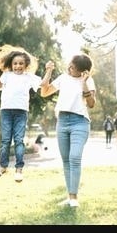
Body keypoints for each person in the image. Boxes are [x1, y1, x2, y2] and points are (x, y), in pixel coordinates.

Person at [39, 54, 97, 208]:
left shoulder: (88, 80)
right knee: (66, 160)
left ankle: (74, 198)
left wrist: (84, 83)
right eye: (70, 65)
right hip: (63, 122)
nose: (69, 68)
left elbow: (91, 104)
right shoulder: (63, 78)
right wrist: (49, 71)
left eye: (73, 68)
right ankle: (70, 197)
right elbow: (44, 93)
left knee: (75, 157)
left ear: (83, 71)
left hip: (80, 122)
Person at [0, 44, 42, 182]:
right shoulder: (7, 75)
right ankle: (3, 167)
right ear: (11, 64)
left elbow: (43, 84)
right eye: (15, 63)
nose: (18, 66)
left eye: (21, 63)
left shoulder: (29, 77)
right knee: (6, 140)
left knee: (19, 140)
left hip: (21, 112)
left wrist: (48, 71)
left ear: (26, 65)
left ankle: (19, 169)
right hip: (6, 111)